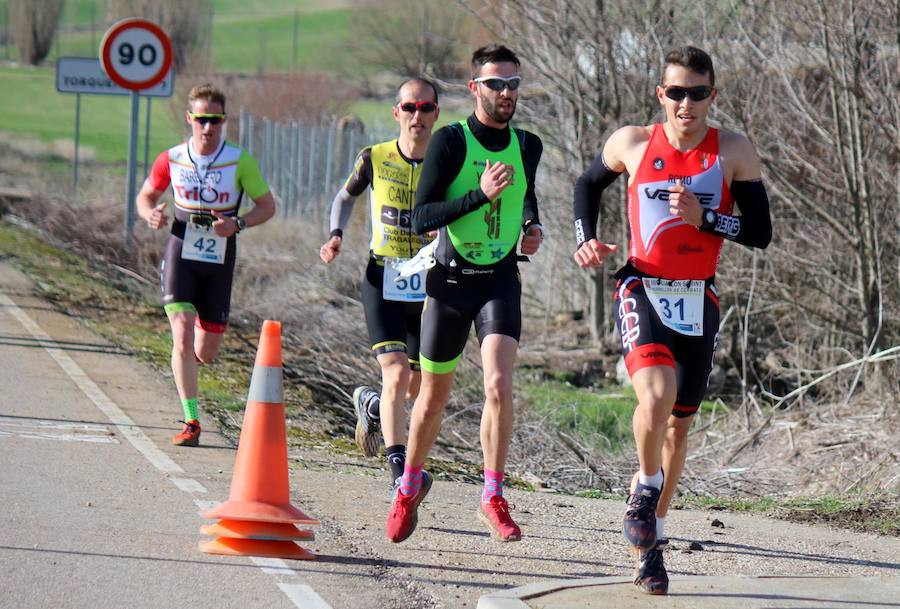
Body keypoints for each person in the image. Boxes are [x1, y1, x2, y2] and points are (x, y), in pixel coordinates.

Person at [572, 46, 772, 594]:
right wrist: (585, 239)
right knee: (654, 397)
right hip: (641, 284)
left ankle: (652, 546)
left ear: (713, 95)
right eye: (676, 92)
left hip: (698, 295)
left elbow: (760, 233)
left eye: (698, 93)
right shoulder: (633, 142)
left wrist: (706, 218)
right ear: (661, 94)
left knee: (679, 425)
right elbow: (587, 186)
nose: (687, 104)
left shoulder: (733, 151)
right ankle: (645, 486)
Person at [385, 44, 544, 544]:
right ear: (475, 88)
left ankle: (492, 494)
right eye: (495, 84)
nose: (506, 93)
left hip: (499, 280)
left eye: (513, 84)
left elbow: (527, 198)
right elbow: (422, 217)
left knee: (498, 383)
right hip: (451, 282)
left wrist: (531, 226)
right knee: (432, 397)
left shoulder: (528, 144)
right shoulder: (451, 142)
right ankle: (409, 485)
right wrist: (480, 195)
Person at [137, 83, 275, 447]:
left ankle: (201, 328)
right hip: (180, 249)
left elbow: (267, 206)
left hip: (219, 256)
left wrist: (238, 223)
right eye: (201, 119)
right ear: (190, 119)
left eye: (214, 120)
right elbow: (146, 195)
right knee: (180, 334)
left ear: (223, 120)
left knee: (206, 351)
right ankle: (191, 420)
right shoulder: (172, 157)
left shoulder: (238, 160)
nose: (208, 127)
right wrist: (151, 214)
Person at [319, 78, 440, 490]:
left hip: (428, 283)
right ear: (396, 113)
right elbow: (344, 197)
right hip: (382, 277)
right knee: (395, 375)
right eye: (409, 108)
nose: (417, 116)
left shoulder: (447, 162)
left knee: (417, 385)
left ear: (436, 113)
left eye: (425, 108)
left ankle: (370, 406)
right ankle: (400, 475)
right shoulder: (375, 157)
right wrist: (336, 234)